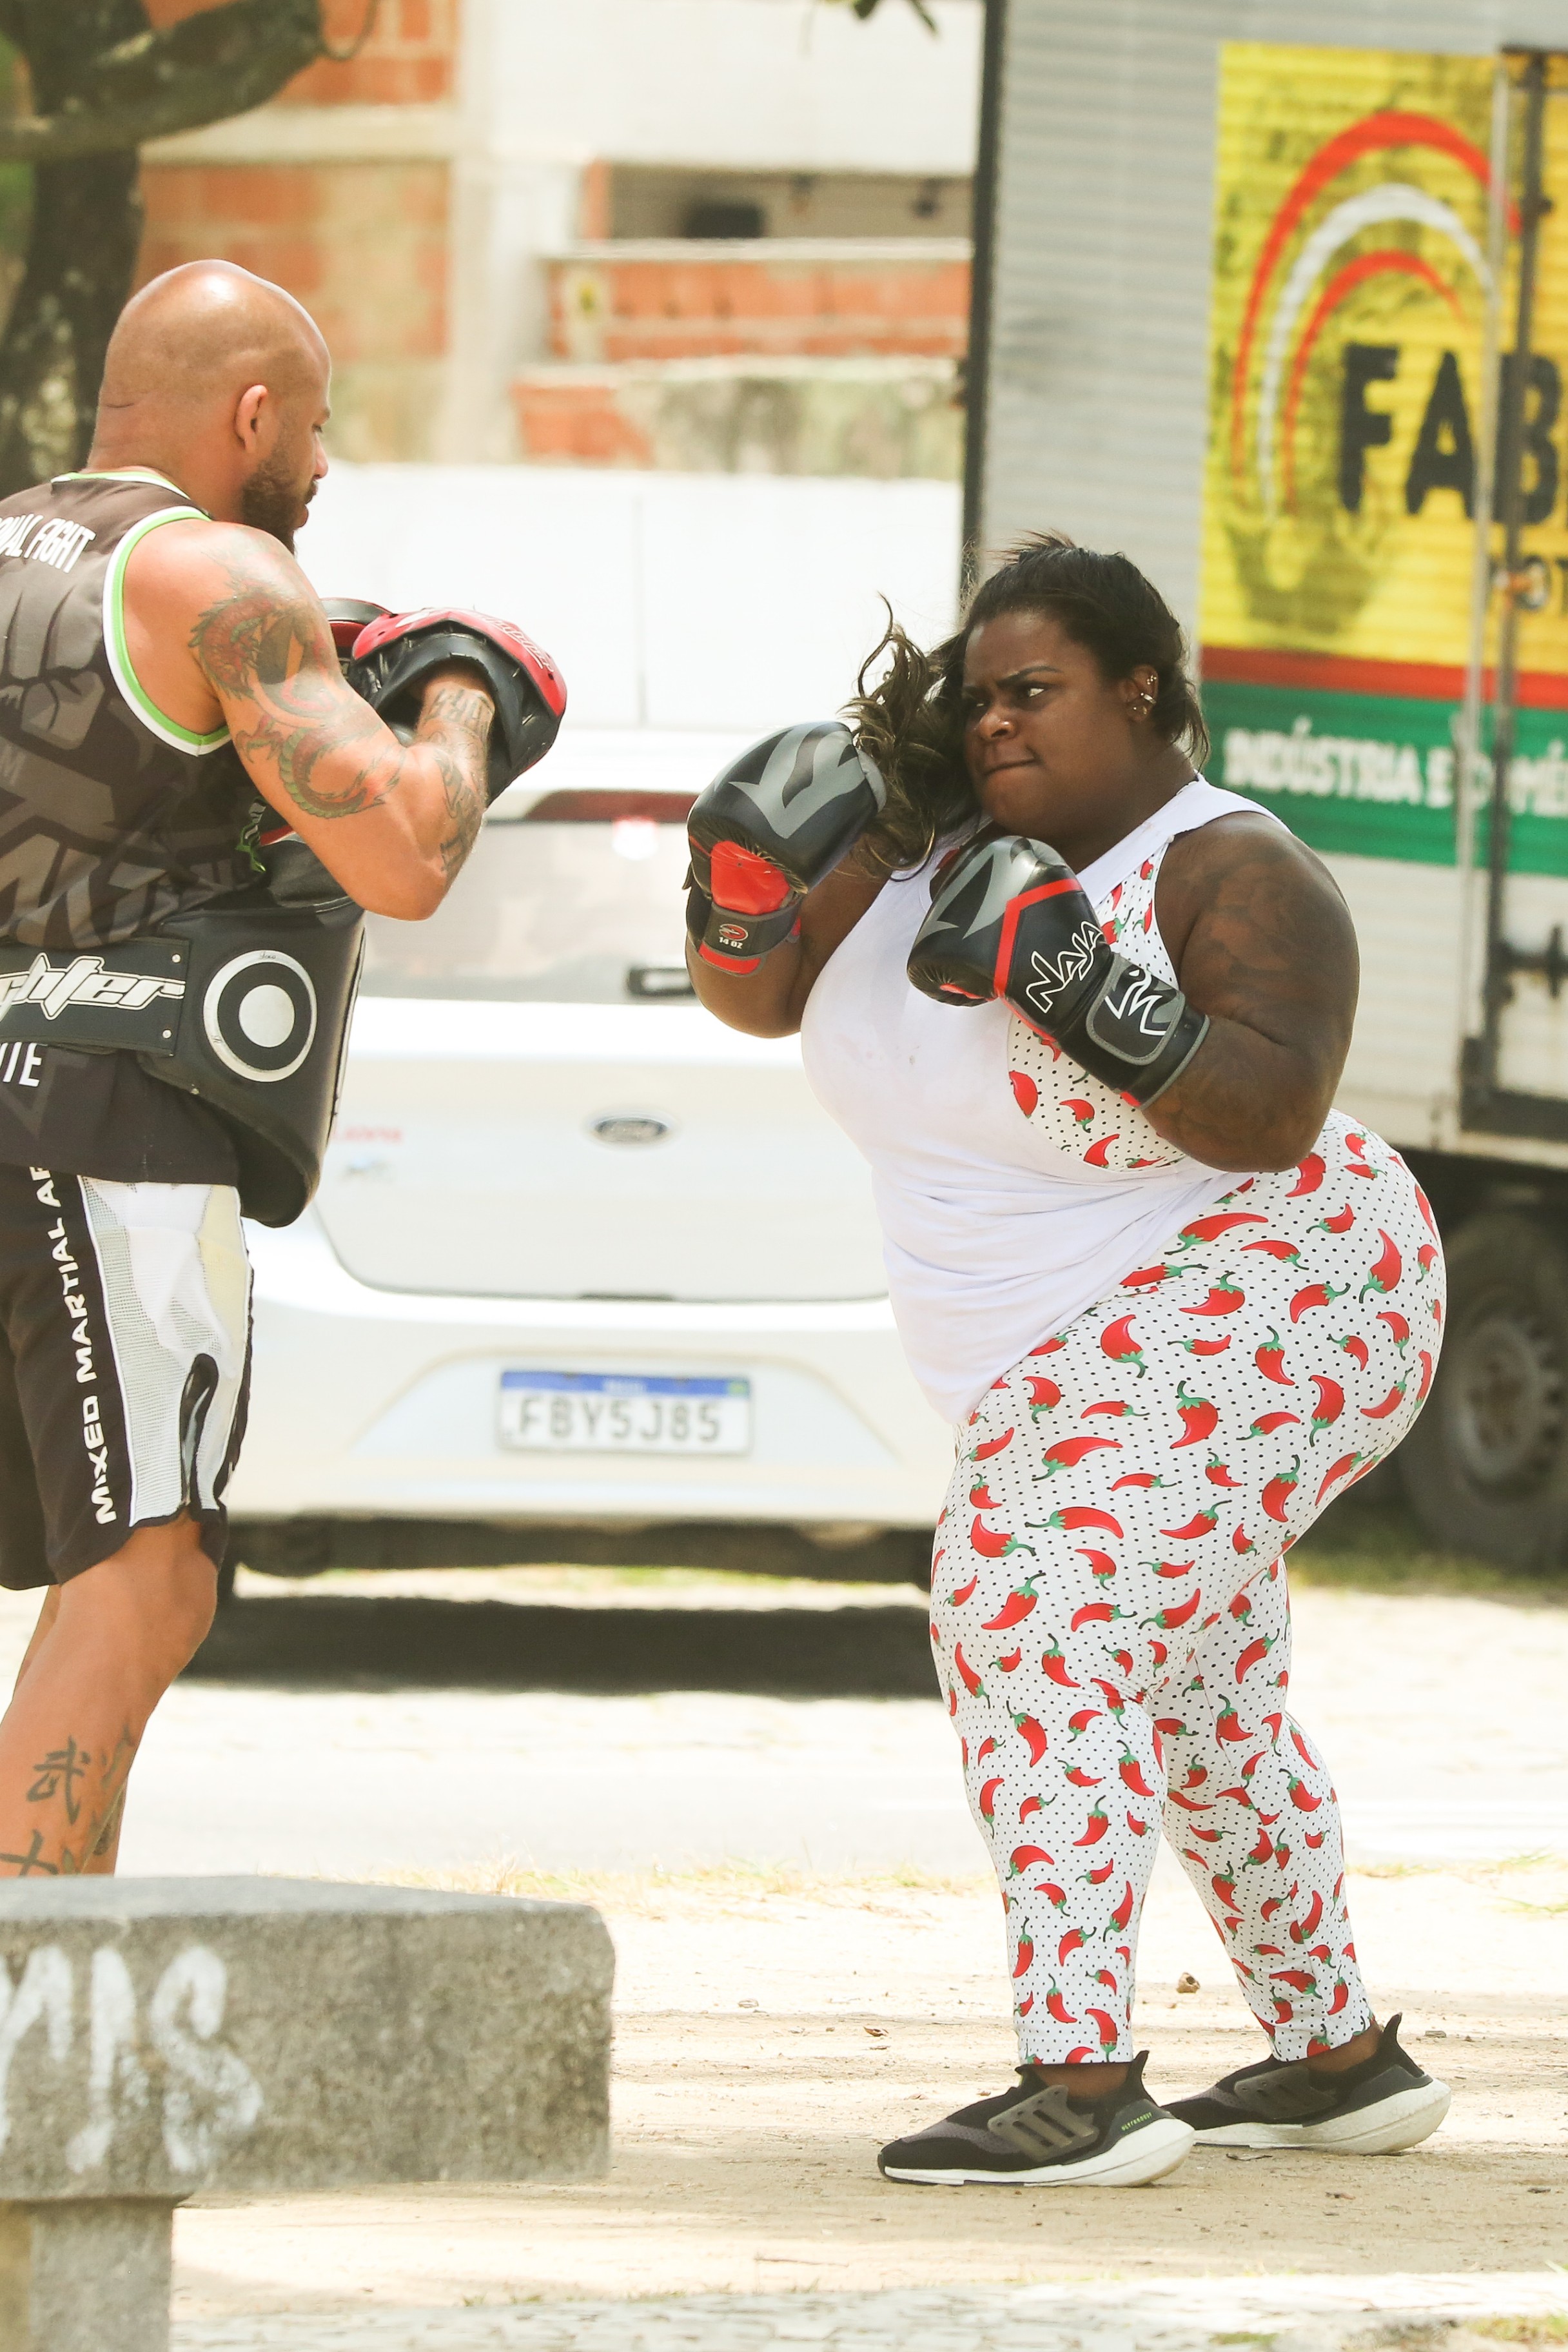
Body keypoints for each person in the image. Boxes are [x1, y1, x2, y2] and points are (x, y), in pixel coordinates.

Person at [685, 535, 1451, 2187]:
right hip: (1075, 1342)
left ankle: (1083, 2080)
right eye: (977, 701)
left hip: (1288, 1274)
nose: (996, 727)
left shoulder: (1228, 868)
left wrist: (1081, 984)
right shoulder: (934, 850)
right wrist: (742, 889)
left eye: (1035, 692)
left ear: (1145, 690)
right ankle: (1336, 2058)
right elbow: (754, 1002)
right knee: (1194, 1693)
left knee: (1025, 1604)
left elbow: (1266, 1112)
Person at [0, 259, 553, 1881]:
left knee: (85, 1557)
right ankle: (32, 2017)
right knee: (150, 1570)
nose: (321, 466)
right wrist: (461, 688)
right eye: (309, 430)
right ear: (250, 414)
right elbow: (402, 855)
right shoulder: (218, 576)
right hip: (114, 1113)